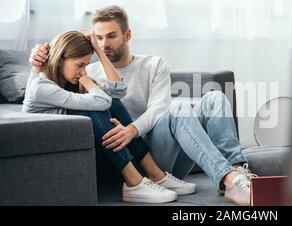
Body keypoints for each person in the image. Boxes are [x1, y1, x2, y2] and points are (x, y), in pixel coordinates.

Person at [29, 5, 256, 206]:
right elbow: (107, 96)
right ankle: (226, 178)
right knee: (178, 107)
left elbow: (158, 108)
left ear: (128, 35)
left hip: (149, 141)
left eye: (111, 36)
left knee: (213, 98)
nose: (104, 43)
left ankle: (237, 170)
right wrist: (38, 61)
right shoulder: (87, 71)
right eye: (98, 38)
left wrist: (132, 130)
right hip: (131, 152)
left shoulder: (154, 64)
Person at [23, 30, 196, 204]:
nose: (83, 72)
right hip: (55, 155)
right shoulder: (41, 87)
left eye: (86, 66)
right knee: (93, 109)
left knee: (114, 103)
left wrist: (98, 50)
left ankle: (155, 174)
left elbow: (119, 90)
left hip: (95, 154)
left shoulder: (70, 83)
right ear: (59, 60)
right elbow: (100, 102)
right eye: (80, 65)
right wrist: (90, 84)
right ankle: (134, 183)